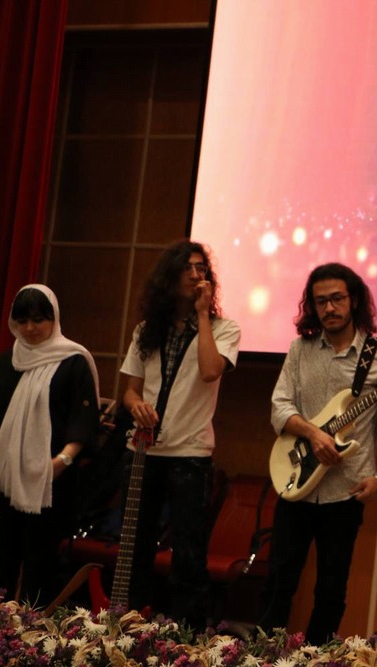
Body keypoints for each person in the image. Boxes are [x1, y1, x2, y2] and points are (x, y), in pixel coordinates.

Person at [258, 263, 377, 642]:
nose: (329, 308)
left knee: (331, 588)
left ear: (353, 300)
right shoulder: (300, 349)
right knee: (279, 581)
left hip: (346, 489)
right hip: (293, 482)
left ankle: (317, 659)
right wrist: (313, 434)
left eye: (337, 298)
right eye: (321, 301)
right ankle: (263, 657)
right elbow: (279, 406)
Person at [120, 240, 241, 625]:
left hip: (190, 454)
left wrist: (203, 315)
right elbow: (130, 391)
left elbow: (210, 371)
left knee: (189, 552)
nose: (194, 275)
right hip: (143, 450)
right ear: (169, 277)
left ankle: (187, 636)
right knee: (135, 547)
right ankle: (128, 626)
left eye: (201, 268)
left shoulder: (224, 329)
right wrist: (136, 406)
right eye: (186, 268)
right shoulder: (146, 330)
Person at [0, 285, 100, 604]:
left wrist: (62, 461)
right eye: (22, 320)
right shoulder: (5, 363)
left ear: (54, 319)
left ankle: (35, 631)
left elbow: (83, 420)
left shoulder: (74, 361)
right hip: (2, 482)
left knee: (40, 568)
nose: (30, 328)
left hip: (51, 482)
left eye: (38, 320)